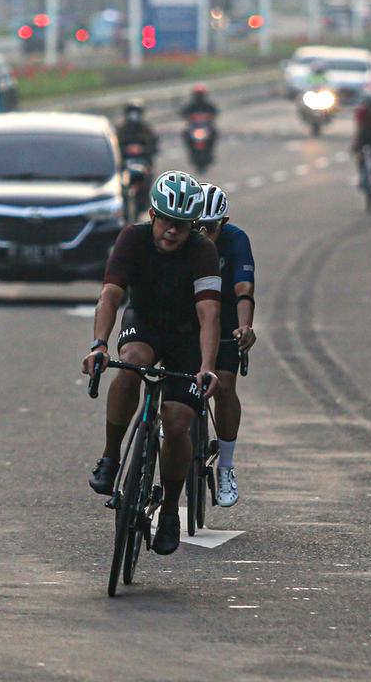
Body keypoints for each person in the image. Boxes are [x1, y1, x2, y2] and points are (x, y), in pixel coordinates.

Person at [81, 170, 222, 556]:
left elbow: (209, 313)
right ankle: (111, 456)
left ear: (192, 227)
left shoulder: (202, 251)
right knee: (131, 364)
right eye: (165, 221)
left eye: (181, 225)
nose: (172, 232)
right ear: (151, 214)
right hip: (143, 323)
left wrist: (207, 366)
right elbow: (110, 296)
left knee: (177, 422)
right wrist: (99, 345)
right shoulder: (132, 238)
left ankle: (171, 509)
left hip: (185, 335)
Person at [194, 184, 256, 507]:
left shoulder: (236, 240)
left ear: (224, 222)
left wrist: (245, 326)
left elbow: (245, 289)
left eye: (211, 228)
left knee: (225, 384)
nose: (203, 234)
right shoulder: (181, 237)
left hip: (227, 309)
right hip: (190, 308)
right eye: (197, 227)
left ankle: (227, 466)